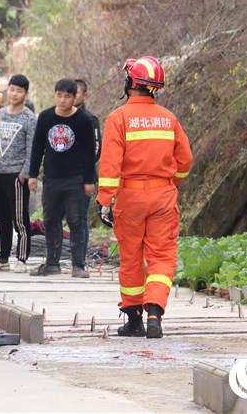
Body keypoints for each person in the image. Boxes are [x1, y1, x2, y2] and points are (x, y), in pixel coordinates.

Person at [96, 57, 192, 339]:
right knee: (162, 257)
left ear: (131, 83)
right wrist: (168, 182)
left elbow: (111, 164)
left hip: (130, 197)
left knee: (131, 258)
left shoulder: (119, 118)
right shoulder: (169, 118)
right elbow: (185, 161)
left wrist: (105, 200)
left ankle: (134, 320)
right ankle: (155, 314)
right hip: (163, 196)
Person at [27, 78, 95, 278]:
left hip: (76, 178)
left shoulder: (83, 120)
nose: (63, 100)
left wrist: (89, 180)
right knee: (50, 220)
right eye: (59, 95)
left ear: (75, 98)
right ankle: (52, 263)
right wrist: (32, 175)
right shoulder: (46, 117)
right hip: (52, 178)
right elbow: (38, 147)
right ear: (54, 95)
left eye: (67, 96)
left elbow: (89, 152)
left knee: (76, 220)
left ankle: (78, 265)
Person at [0, 74, 36, 273]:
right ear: (6, 90)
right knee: (2, 219)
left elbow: (32, 149)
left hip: (16, 174)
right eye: (12, 89)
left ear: (25, 94)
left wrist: (25, 173)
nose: (14, 94)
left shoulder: (29, 118)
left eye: (19, 91)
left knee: (19, 219)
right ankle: (3, 258)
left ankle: (22, 258)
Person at [74, 78, 102, 267]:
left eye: (76, 93)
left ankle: (80, 260)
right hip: (60, 177)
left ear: (85, 95)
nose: (71, 96)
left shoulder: (90, 119)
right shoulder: (56, 117)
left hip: (83, 176)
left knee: (80, 218)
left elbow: (96, 149)